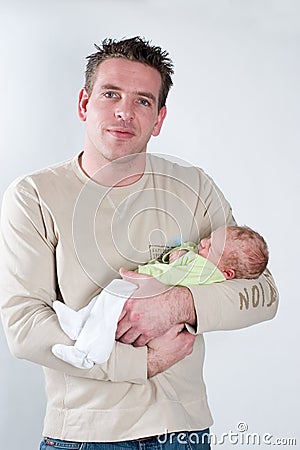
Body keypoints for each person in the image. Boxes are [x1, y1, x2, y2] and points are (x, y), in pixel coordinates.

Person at [0, 37, 278, 449]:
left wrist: (178, 303)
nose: (125, 112)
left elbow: (263, 291)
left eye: (143, 101)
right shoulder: (34, 195)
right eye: (111, 94)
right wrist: (142, 363)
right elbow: (24, 326)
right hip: (87, 437)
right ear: (83, 103)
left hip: (184, 431)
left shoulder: (194, 187)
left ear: (160, 118)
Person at [51, 225, 269, 370]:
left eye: (211, 246)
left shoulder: (206, 269)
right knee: (108, 299)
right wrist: (182, 254)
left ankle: (89, 353)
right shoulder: (209, 265)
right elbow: (187, 258)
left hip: (146, 290)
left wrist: (172, 263)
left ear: (228, 273)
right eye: (209, 238)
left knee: (110, 311)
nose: (203, 242)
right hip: (145, 289)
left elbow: (173, 275)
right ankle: (81, 323)